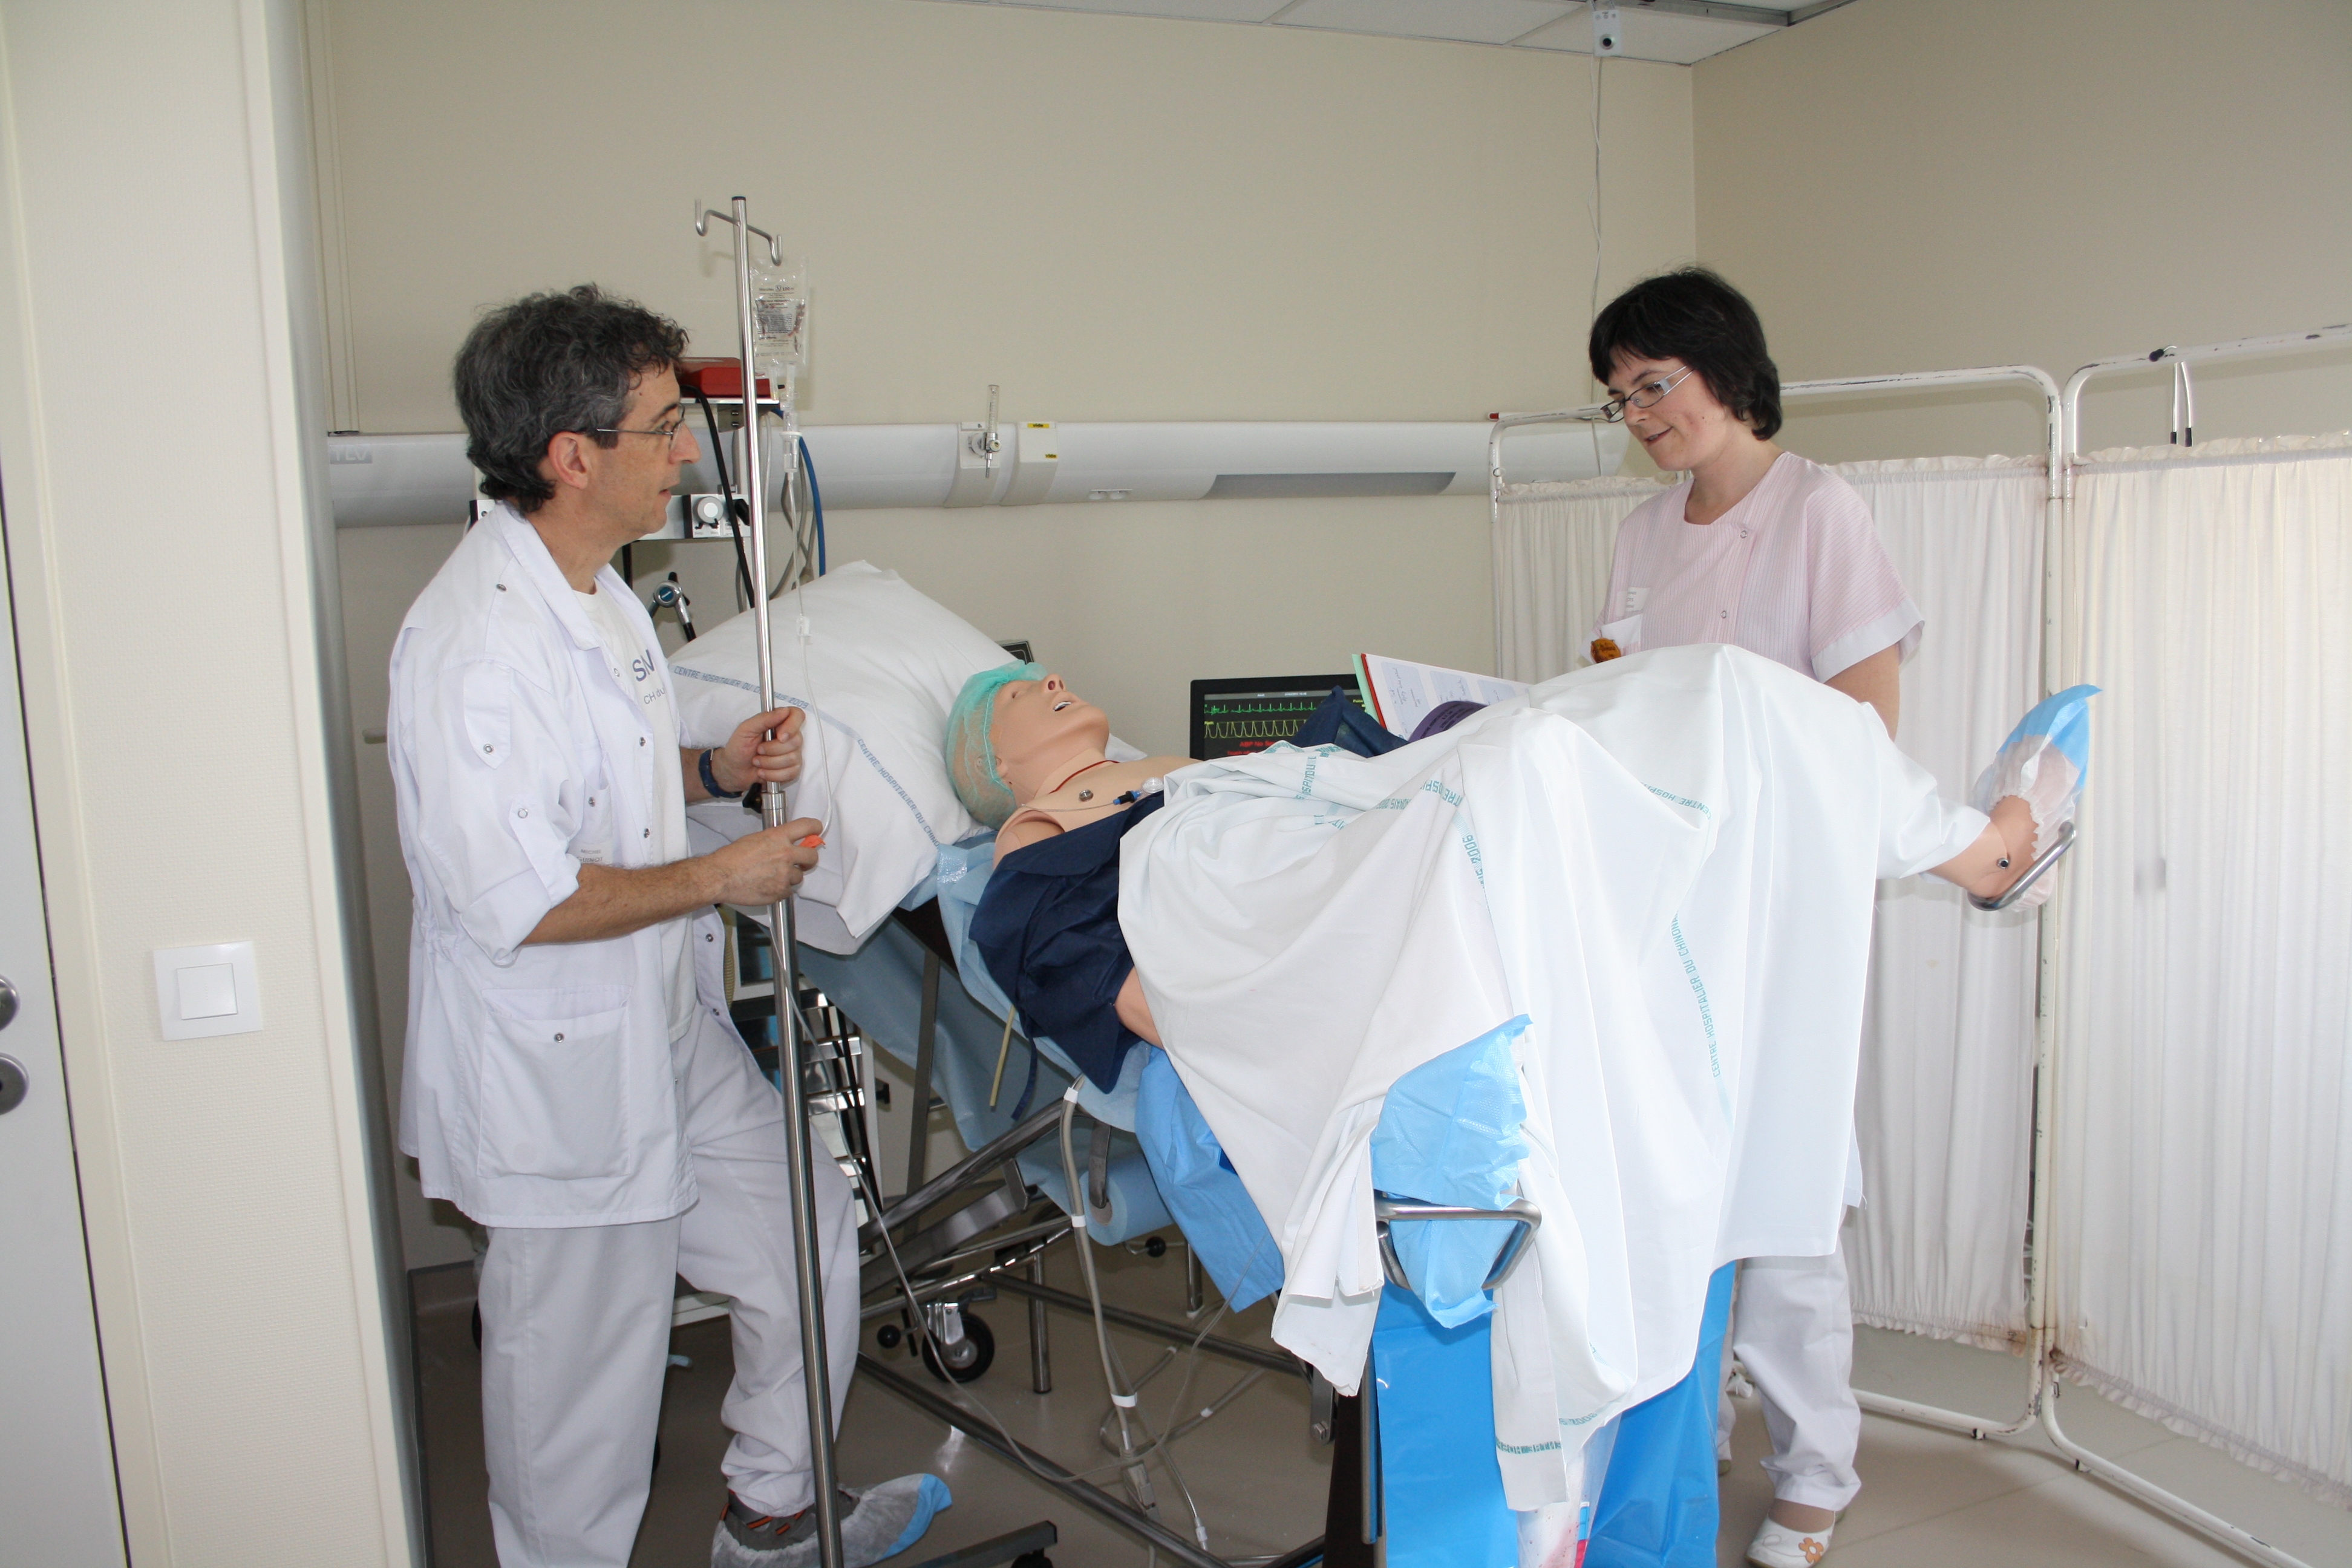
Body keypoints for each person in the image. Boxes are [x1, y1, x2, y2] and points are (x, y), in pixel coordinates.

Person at [389, 286, 945, 1568]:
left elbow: (611, 797)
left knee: (803, 1230)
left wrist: (714, 773)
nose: (686, 451)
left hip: (659, 1025)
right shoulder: (477, 648)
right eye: (660, 428)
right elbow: (521, 896)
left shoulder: (599, 597)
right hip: (559, 1074)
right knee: (580, 1394)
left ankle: (774, 1517)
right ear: (570, 457)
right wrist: (721, 876)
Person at [1586, 266, 1912, 1568]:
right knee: (1673, 1180)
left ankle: (1816, 1476)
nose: (1640, 415)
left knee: (1786, 1199)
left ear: (1726, 369)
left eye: (1653, 385)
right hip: (1668, 902)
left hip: (1786, 902)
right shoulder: (1641, 532)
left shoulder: (1820, 511)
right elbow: (1619, 697)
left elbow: (1868, 732)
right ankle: (1691, 1425)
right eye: (1621, 398)